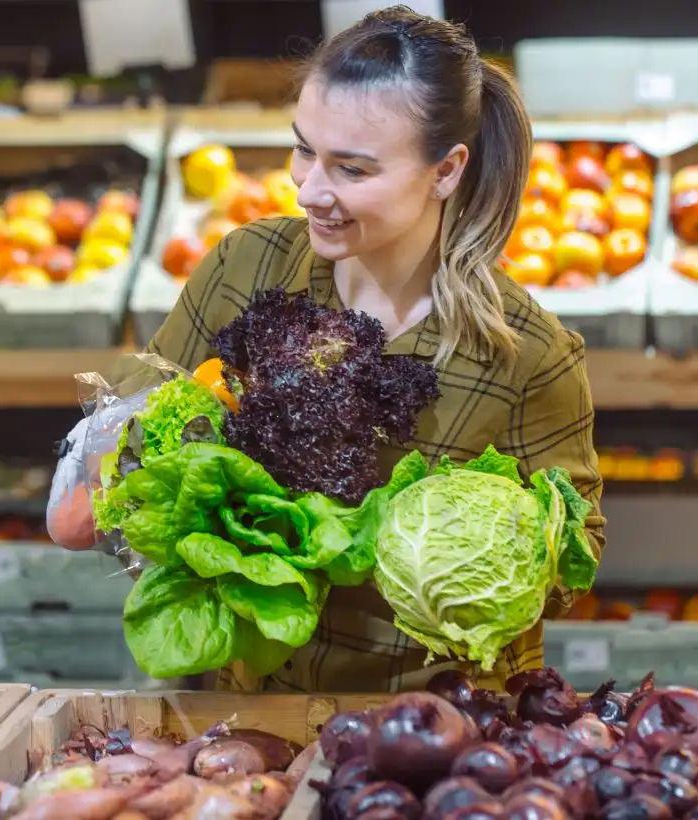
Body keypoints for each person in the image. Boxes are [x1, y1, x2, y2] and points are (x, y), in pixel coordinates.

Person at [53, 5, 605, 693]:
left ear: (446, 169)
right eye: (304, 148)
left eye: (351, 169)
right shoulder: (246, 266)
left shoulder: (527, 355)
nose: (310, 189)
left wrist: (447, 554)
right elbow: (114, 451)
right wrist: (132, 445)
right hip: (245, 711)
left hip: (432, 728)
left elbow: (572, 561)